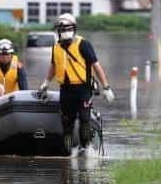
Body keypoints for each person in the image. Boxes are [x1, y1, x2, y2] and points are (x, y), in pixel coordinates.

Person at [36, 13, 115, 149]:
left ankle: (86, 149)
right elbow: (54, 66)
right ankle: (69, 153)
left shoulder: (83, 44)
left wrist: (106, 87)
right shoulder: (56, 48)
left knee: (84, 120)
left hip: (83, 89)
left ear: (73, 29)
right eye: (62, 29)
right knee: (67, 123)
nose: (64, 32)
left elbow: (96, 65)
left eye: (67, 29)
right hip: (66, 90)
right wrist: (46, 82)